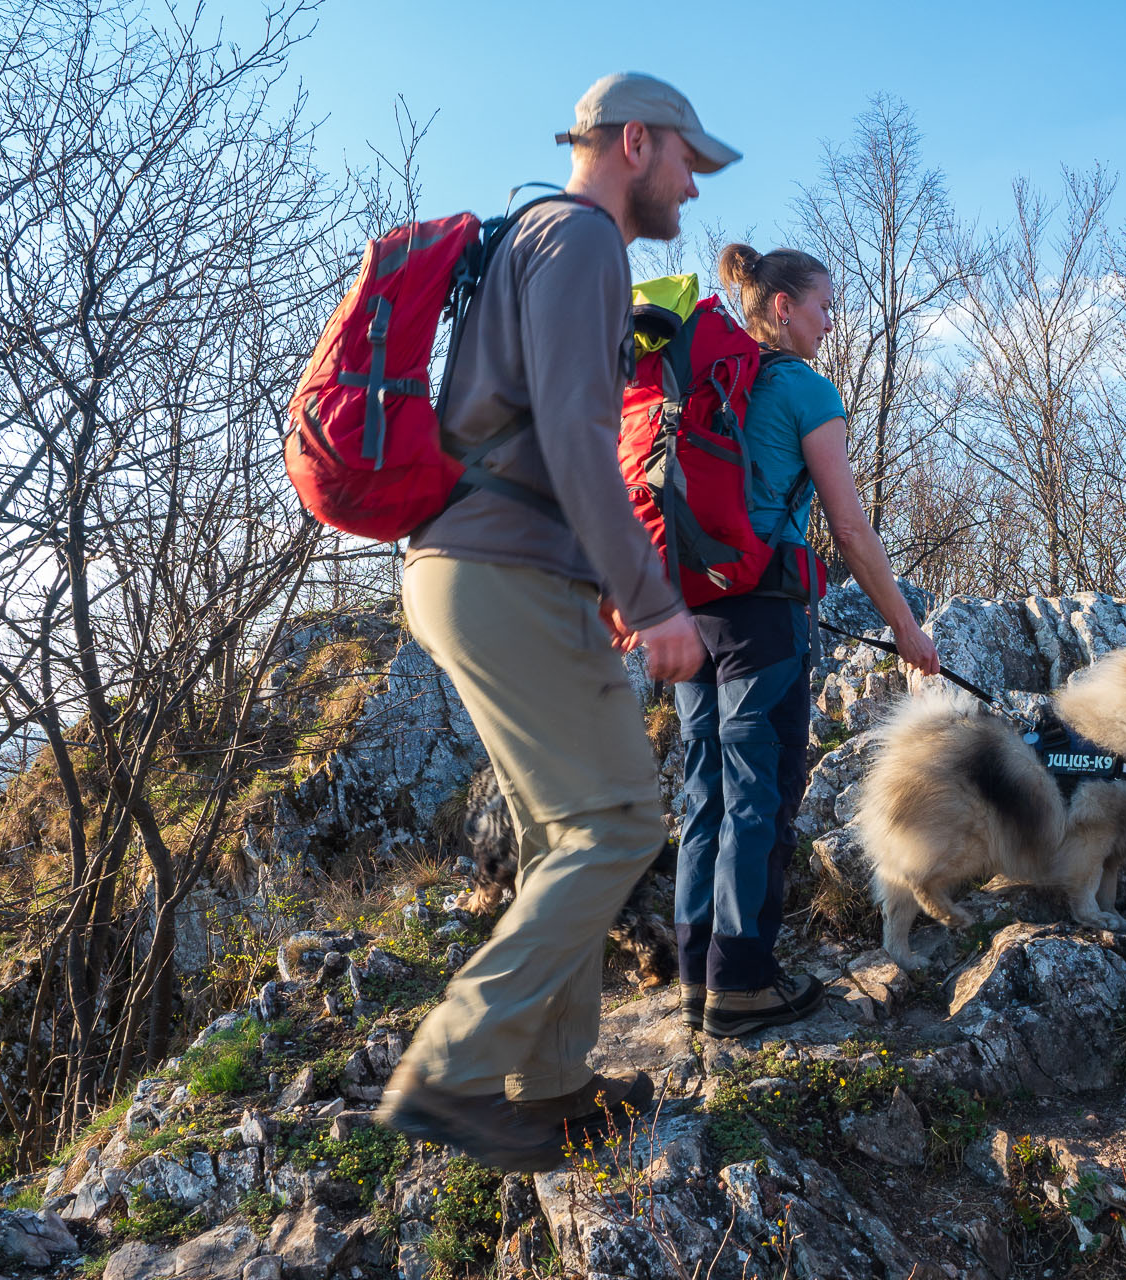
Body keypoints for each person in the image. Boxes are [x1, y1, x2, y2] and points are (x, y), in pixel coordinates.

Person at [377, 73, 737, 1172]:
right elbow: (582, 443)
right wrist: (652, 595)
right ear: (636, 142)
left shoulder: (529, 234)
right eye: (687, 160)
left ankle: (555, 1082)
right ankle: (455, 1068)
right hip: (508, 566)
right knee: (619, 818)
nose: (692, 184)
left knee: (560, 831)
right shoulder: (584, 241)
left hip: (471, 565)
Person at [676, 243, 942, 1038]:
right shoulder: (802, 388)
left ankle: (700, 977)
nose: (832, 322)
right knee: (761, 791)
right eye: (824, 305)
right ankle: (745, 983)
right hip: (764, 614)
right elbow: (851, 529)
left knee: (705, 789)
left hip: (692, 606)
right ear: (782, 306)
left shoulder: (704, 383)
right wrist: (906, 628)